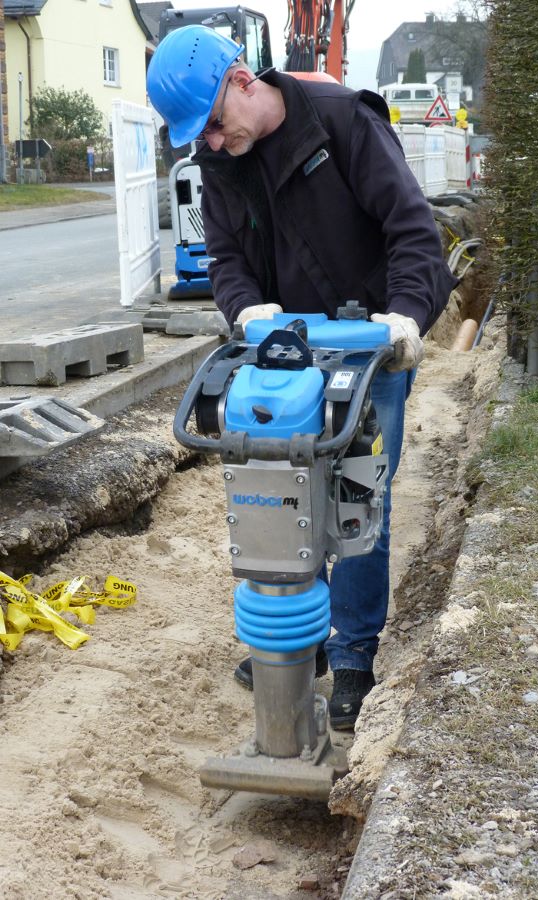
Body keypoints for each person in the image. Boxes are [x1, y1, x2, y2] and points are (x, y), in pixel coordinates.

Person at [147, 25, 458, 730]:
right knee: (287, 489)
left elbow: (412, 230)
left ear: (241, 82)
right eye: (202, 135)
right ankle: (303, 636)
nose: (213, 142)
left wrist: (406, 317)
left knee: (357, 500)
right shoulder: (220, 163)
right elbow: (225, 259)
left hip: (369, 350)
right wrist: (243, 307)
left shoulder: (343, 123)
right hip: (287, 358)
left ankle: (352, 652)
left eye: (215, 124)